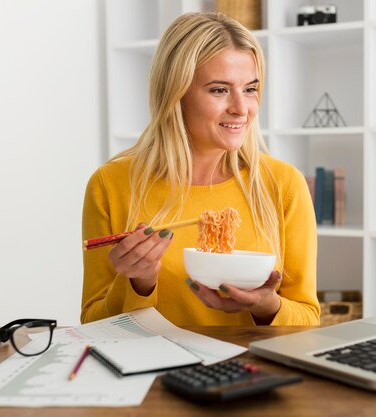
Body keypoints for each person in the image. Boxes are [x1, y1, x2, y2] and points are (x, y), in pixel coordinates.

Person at [81, 12, 320, 326]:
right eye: (219, 90)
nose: (241, 108)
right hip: (155, 371)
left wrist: (267, 305)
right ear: (176, 94)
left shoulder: (283, 184)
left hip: (252, 372)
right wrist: (138, 284)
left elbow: (308, 319)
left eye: (250, 89)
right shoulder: (110, 185)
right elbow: (92, 324)